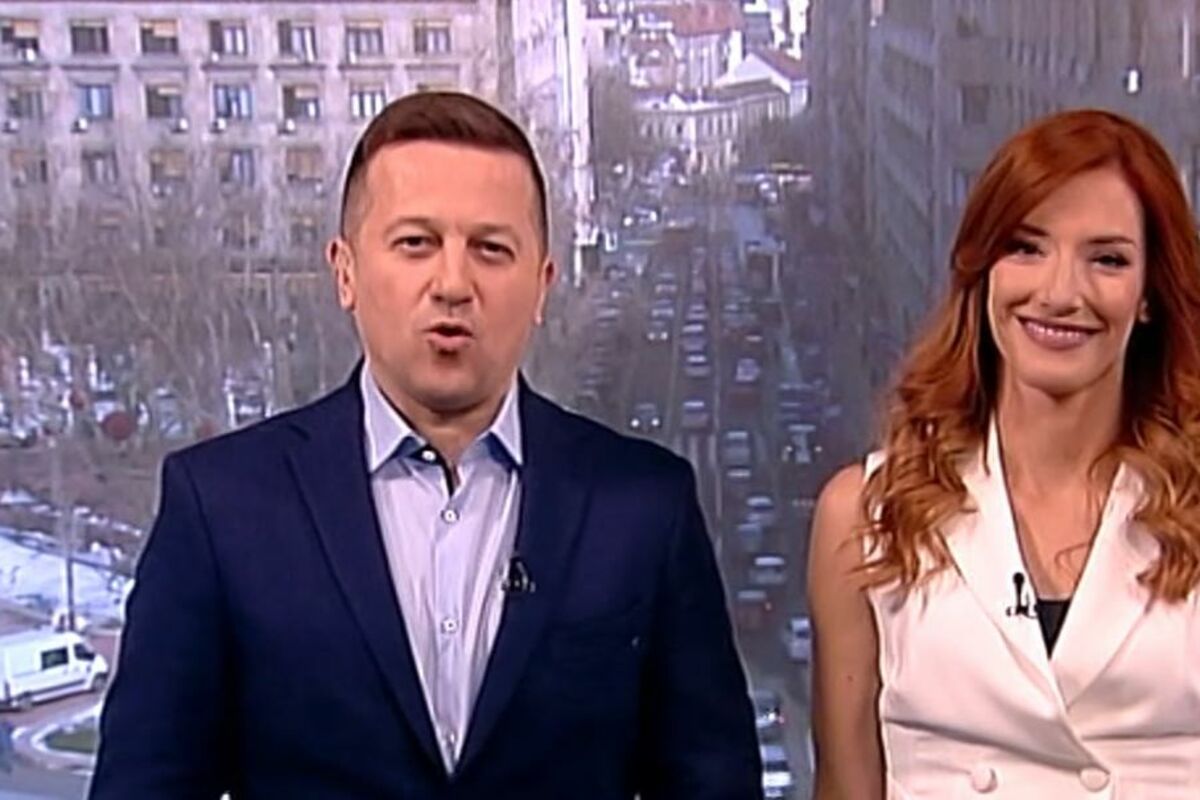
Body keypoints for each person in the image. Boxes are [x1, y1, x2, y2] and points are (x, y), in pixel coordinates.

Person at [89, 91, 761, 798]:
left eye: (491, 249)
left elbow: (712, 785)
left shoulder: (644, 507)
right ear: (345, 272)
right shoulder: (222, 507)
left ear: (543, 285)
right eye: (416, 243)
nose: (453, 284)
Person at [808, 108, 1200, 798]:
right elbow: (846, 784)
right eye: (1025, 248)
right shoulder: (865, 517)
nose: (1060, 293)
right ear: (983, 269)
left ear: (1149, 296)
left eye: (1108, 260)